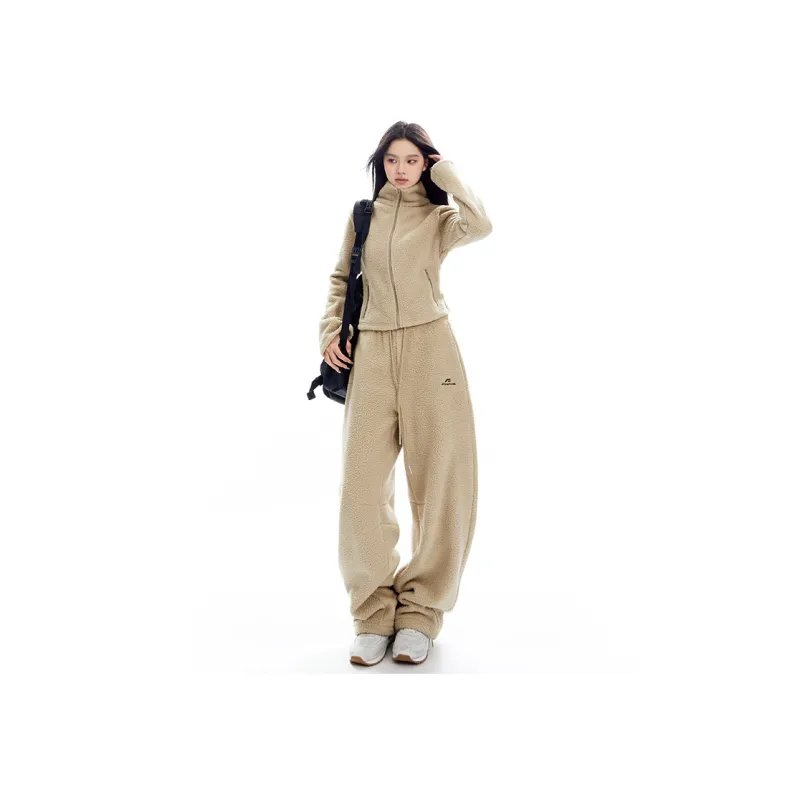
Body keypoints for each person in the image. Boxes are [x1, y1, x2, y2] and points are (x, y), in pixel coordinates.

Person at [318, 121, 493, 666]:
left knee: (442, 482)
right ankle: (372, 614)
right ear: (381, 163)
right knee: (361, 488)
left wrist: (447, 172)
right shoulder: (363, 216)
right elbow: (340, 281)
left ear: (426, 164)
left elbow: (482, 223)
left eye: (412, 160)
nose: (401, 169)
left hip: (431, 351)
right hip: (371, 353)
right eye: (392, 159)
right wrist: (330, 332)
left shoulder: (440, 220)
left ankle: (421, 613)